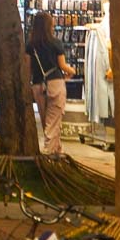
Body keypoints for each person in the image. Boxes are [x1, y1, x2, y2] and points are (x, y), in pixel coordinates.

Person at [27, 10, 75, 156]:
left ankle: (56, 152)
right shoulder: (55, 43)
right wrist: (71, 71)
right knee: (53, 123)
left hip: (37, 85)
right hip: (55, 83)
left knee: (47, 122)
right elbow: (62, 66)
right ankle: (48, 156)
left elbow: (27, 69)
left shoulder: (30, 46)